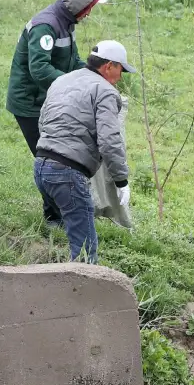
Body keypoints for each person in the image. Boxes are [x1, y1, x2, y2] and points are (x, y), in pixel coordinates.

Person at [6, 0, 106, 225]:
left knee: (55, 157)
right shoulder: (46, 26)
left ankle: (58, 214)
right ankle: (54, 218)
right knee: (51, 159)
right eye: (89, 8)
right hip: (30, 103)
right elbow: (39, 69)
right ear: (79, 6)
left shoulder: (66, 24)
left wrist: (93, 78)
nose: (90, 14)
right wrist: (72, 88)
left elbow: (72, 62)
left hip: (49, 101)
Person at [34, 41, 134, 264]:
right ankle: (84, 292)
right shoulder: (106, 91)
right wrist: (121, 180)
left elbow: (43, 121)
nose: (121, 76)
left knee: (72, 232)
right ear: (109, 66)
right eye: (121, 69)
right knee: (85, 251)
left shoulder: (62, 80)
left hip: (41, 166)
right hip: (67, 173)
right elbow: (110, 141)